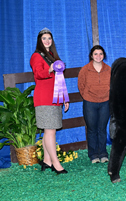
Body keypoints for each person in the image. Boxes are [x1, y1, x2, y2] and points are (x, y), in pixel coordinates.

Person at [30, 28, 69, 174]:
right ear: (40, 41)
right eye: (44, 38)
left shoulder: (52, 56)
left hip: (55, 98)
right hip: (44, 98)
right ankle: (56, 164)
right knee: (50, 131)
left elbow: (60, 81)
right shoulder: (36, 56)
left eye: (49, 38)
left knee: (49, 130)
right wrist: (50, 69)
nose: (47, 41)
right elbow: (38, 74)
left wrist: (64, 98)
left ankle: (46, 160)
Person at [78, 45, 111, 163]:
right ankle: (93, 155)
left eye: (101, 54)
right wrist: (87, 95)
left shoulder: (109, 69)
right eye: (95, 54)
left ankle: (103, 153)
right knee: (92, 129)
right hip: (90, 103)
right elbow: (81, 85)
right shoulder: (85, 69)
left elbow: (113, 85)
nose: (98, 56)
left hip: (105, 103)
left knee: (102, 129)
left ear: (104, 55)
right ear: (91, 56)